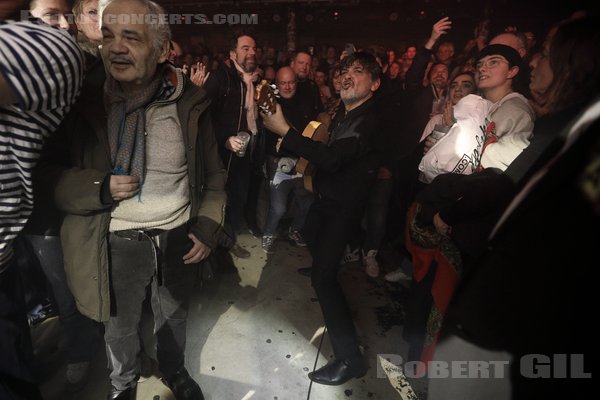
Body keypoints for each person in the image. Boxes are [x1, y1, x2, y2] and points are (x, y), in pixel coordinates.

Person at [39, 0, 226, 399]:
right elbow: (46, 177)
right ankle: (122, 386)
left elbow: (214, 176)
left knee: (174, 317)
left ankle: (175, 372)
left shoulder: (190, 102)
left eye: (131, 38)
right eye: (108, 36)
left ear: (162, 50)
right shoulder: (80, 100)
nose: (115, 48)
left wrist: (208, 226)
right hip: (116, 241)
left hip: (177, 235)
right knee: (119, 327)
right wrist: (99, 188)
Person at [261, 52, 382, 385]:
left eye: (358, 72)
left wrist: (285, 130)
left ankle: (349, 359)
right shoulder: (346, 111)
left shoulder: (367, 119)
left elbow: (331, 159)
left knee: (323, 280)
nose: (346, 76)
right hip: (326, 199)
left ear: (375, 83)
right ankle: (323, 264)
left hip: (343, 206)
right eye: (344, 71)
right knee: (310, 229)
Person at [1, 1, 84, 398]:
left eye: (69, 13)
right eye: (53, 14)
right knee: (42, 293)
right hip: (31, 217)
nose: (64, 24)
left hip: (56, 207)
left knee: (67, 293)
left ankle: (81, 353)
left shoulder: (56, 53)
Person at [203, 32, 258, 258]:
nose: (252, 52)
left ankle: (234, 236)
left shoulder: (252, 79)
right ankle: (224, 243)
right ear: (233, 54)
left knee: (239, 196)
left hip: (246, 150)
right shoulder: (220, 78)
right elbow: (203, 116)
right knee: (221, 199)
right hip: (223, 154)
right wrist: (225, 138)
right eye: (246, 48)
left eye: (254, 48)